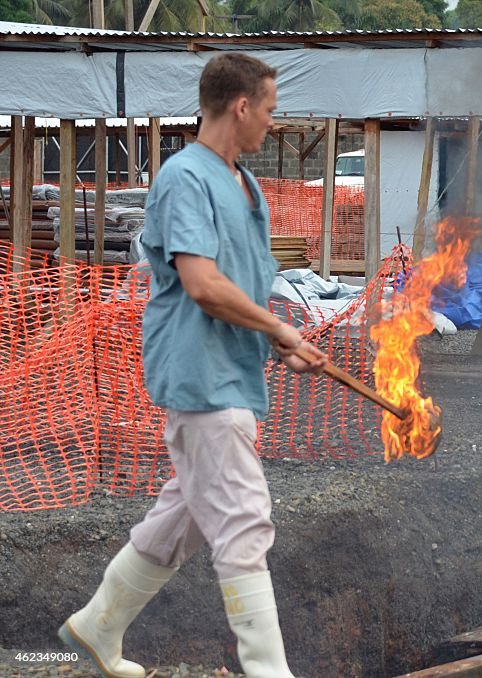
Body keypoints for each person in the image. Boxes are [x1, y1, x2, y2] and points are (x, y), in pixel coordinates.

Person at [58, 53, 327, 678]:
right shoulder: (185, 178)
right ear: (241, 106)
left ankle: (98, 626)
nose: (271, 122)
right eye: (269, 109)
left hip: (234, 372)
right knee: (243, 520)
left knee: (183, 517)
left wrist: (275, 339)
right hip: (203, 376)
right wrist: (279, 326)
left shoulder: (246, 184)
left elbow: (240, 286)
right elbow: (202, 284)